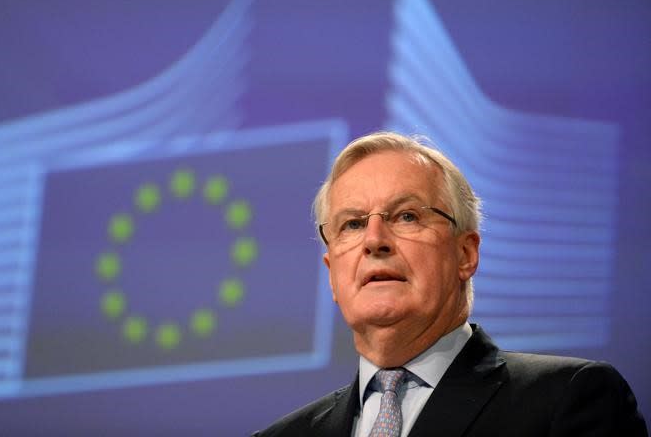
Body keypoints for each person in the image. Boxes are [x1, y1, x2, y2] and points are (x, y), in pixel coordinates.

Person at [253, 131, 647, 436]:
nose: (374, 240)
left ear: (465, 254)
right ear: (332, 274)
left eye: (406, 216)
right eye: (352, 224)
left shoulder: (567, 399)